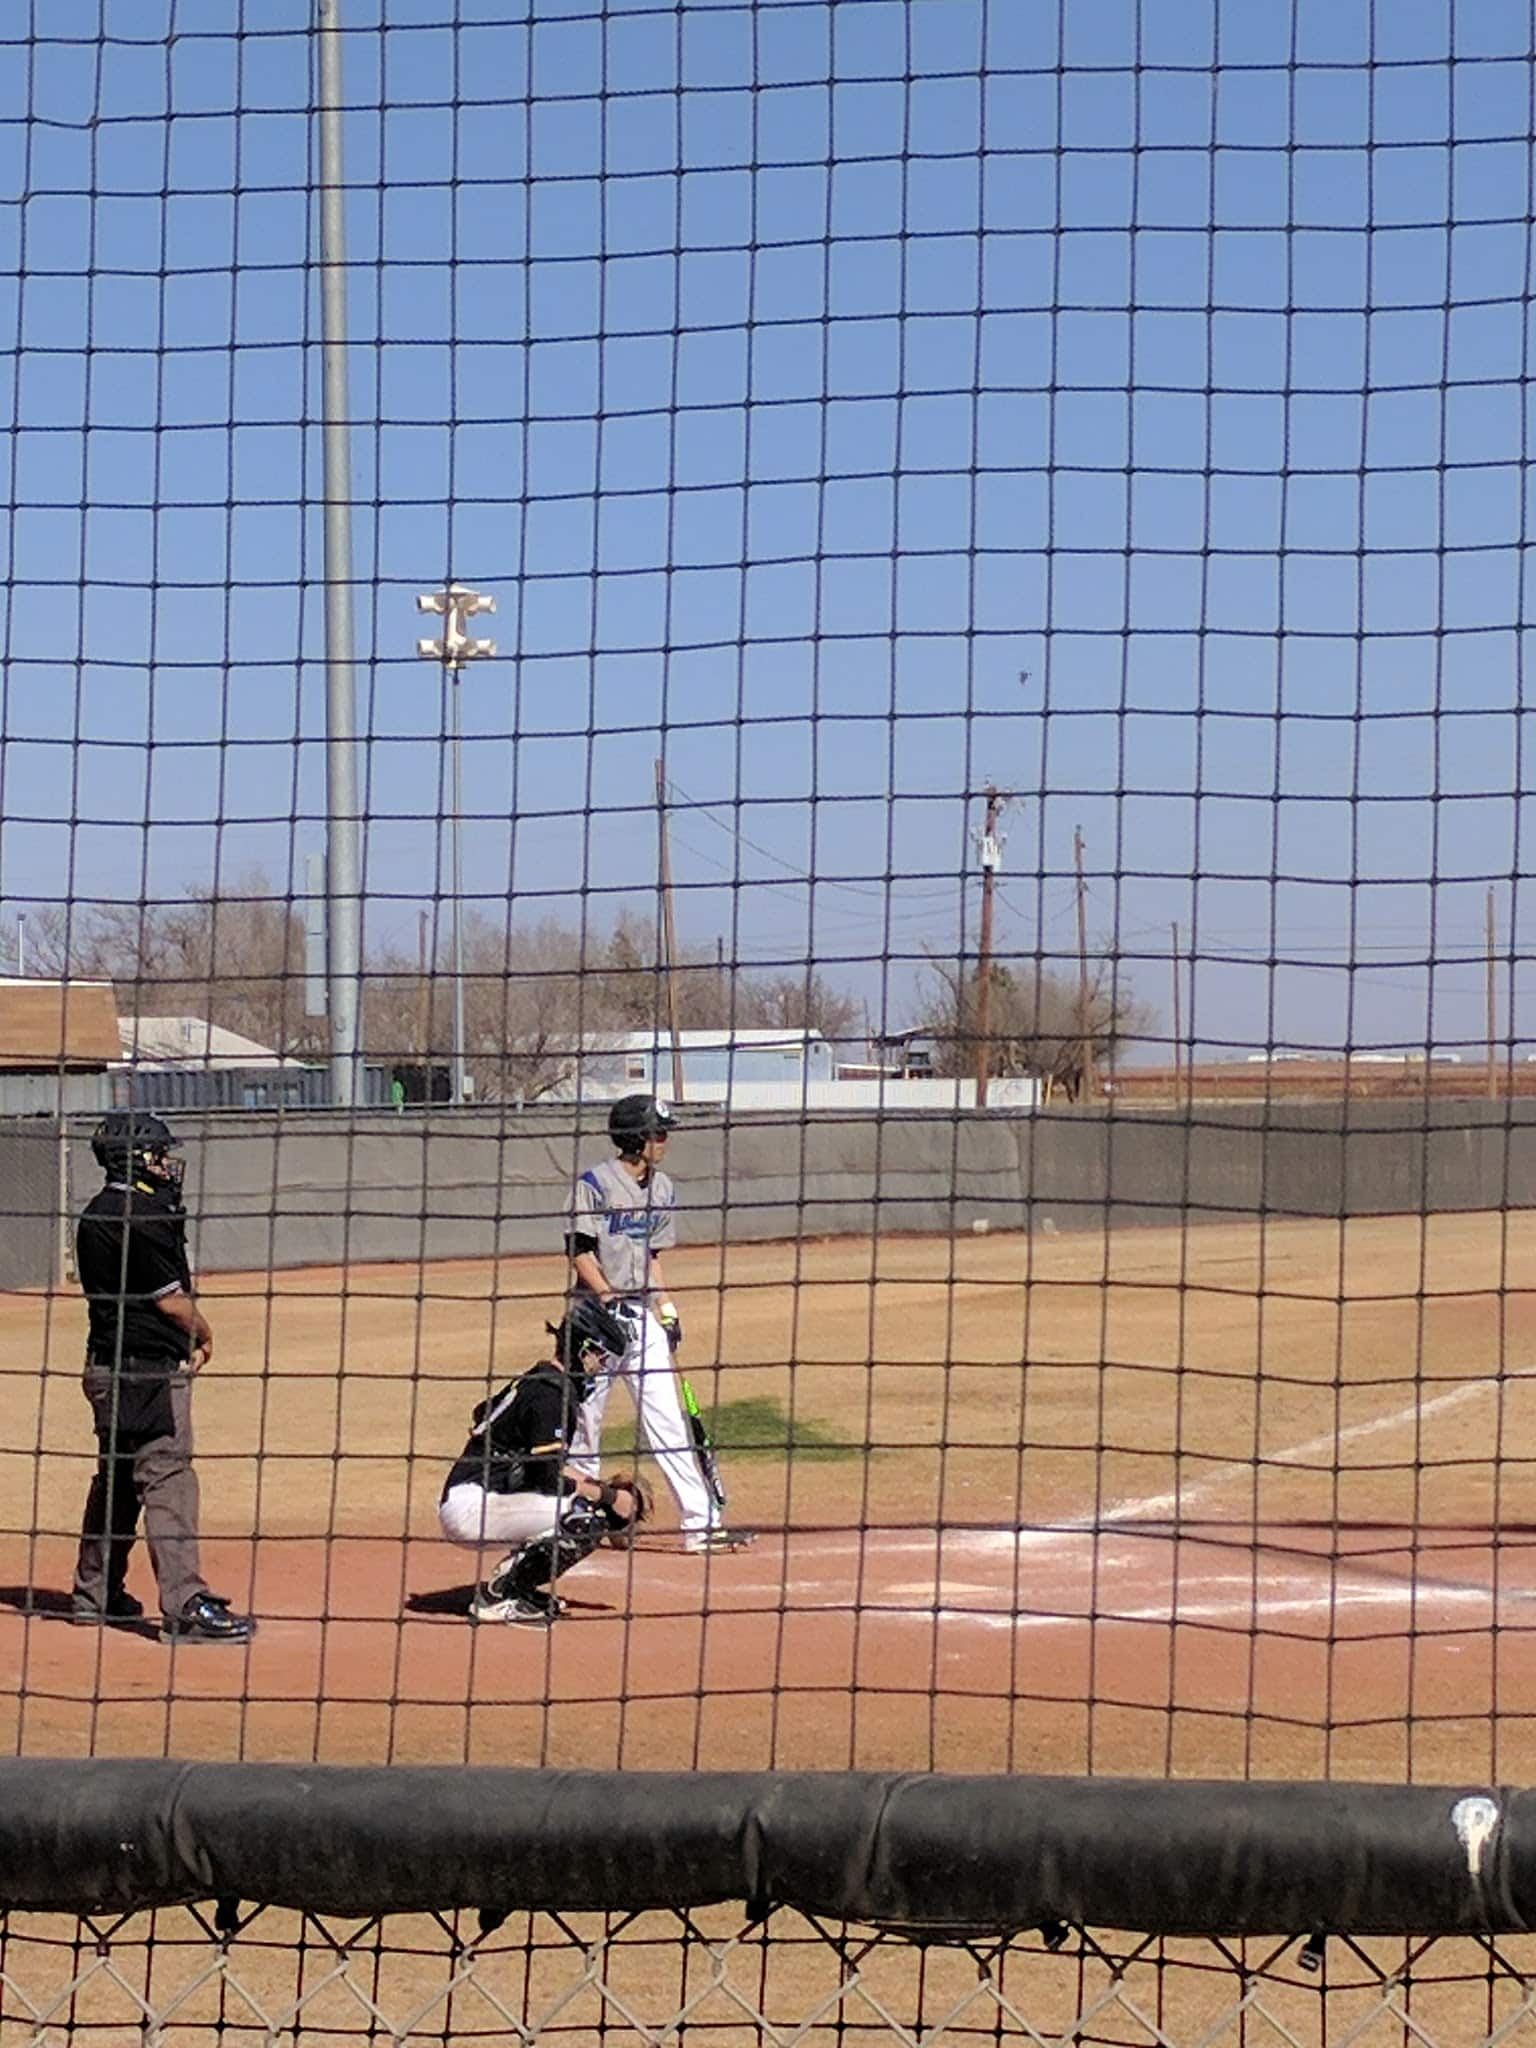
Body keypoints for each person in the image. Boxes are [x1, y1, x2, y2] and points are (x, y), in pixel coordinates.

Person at [71, 1111, 254, 1645]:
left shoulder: (97, 1213)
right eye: (155, 1154)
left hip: (106, 1367)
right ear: (133, 1158)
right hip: (147, 1374)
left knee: (117, 1481)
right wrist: (204, 1333)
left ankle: (94, 1594)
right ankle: (185, 1606)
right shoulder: (140, 1216)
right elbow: (171, 1303)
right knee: (169, 1479)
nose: (164, 1164)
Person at [564, 1094, 753, 1554]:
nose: (664, 1140)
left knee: (668, 1420)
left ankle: (700, 1524)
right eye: (658, 1132)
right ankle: (578, 1518)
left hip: (639, 1315)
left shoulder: (663, 1188)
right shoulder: (593, 1184)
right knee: (586, 1423)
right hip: (594, 1318)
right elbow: (580, 1251)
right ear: (635, 1137)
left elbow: (650, 1256)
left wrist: (665, 1306)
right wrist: (608, 1303)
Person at [439, 1296, 648, 1625]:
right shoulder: (554, 1395)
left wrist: (599, 1487)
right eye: (600, 1357)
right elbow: (548, 1478)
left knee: (582, 1500)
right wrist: (609, 1498)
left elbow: (482, 1413)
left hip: (472, 1497)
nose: (602, 1367)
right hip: (473, 1509)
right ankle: (499, 1596)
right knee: (587, 1517)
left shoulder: (538, 1379)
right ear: (582, 1349)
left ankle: (513, 1586)